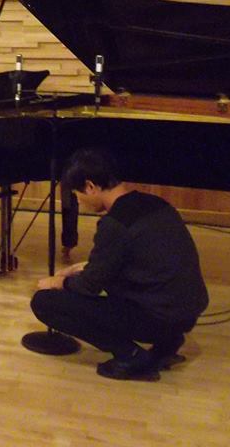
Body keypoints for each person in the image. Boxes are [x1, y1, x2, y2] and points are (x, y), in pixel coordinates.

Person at [30, 148, 209, 381]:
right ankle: (168, 344)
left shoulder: (115, 224)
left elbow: (89, 287)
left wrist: (59, 282)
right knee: (104, 286)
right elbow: (142, 259)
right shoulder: (155, 204)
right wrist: (84, 267)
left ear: (90, 186)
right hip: (187, 311)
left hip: (159, 317)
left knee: (44, 302)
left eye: (77, 193)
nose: (79, 201)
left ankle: (130, 355)